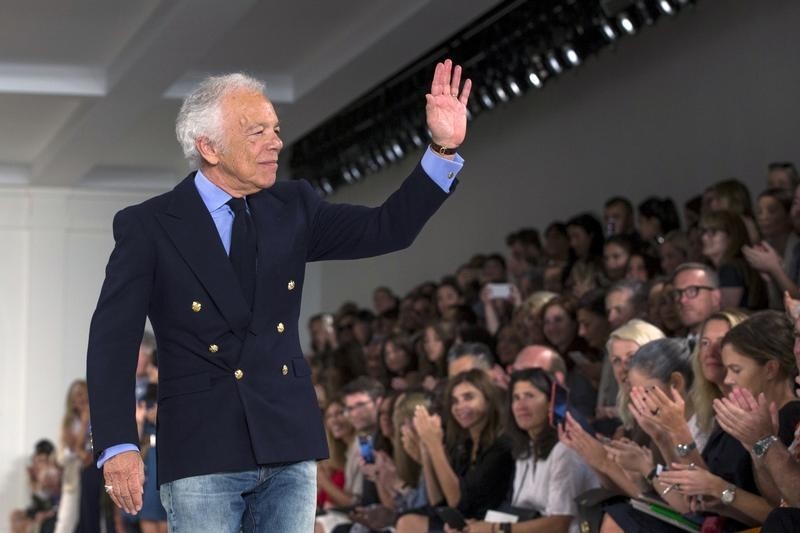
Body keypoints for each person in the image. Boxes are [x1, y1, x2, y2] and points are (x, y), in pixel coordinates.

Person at [86, 58, 472, 532]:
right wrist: (118, 444)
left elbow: (387, 228)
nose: (276, 142)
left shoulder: (293, 206)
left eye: (275, 128)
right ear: (209, 147)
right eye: (257, 132)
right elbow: (113, 340)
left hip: (287, 440)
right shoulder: (149, 226)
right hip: (203, 445)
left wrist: (442, 148)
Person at [396, 369, 513, 532]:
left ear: (488, 399)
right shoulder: (464, 444)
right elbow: (438, 502)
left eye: (468, 397)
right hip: (465, 525)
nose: (460, 406)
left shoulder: (502, 446)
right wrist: (426, 450)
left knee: (408, 524)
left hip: (488, 526)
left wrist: (435, 445)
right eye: (455, 401)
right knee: (407, 522)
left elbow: (457, 503)